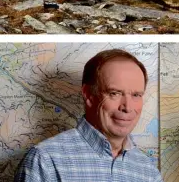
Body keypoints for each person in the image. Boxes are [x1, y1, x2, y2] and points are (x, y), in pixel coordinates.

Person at [14, 49, 163, 181]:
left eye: (136, 95)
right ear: (89, 95)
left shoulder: (148, 171)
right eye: (114, 93)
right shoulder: (45, 161)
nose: (128, 107)